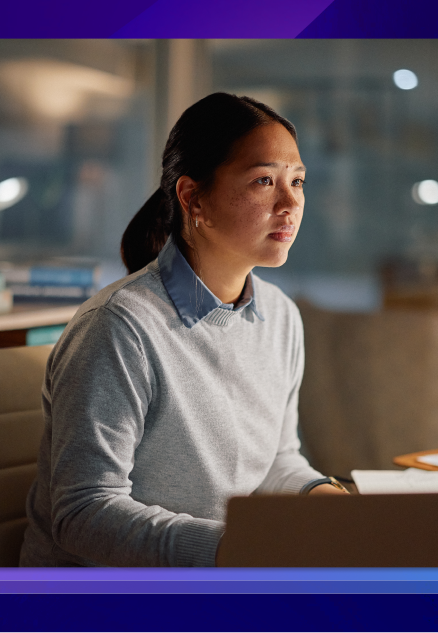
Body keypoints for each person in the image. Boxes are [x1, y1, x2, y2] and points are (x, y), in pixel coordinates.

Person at [20, 93, 346, 568]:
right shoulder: (119, 327)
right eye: (264, 181)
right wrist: (235, 549)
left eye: (297, 181)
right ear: (193, 198)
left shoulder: (280, 316)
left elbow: (276, 459)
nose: (291, 202)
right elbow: (83, 513)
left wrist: (325, 498)